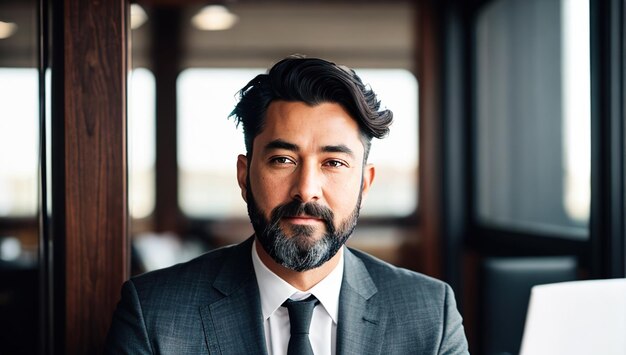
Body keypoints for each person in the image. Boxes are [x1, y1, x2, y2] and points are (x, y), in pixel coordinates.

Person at [105, 56, 469, 354]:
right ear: (244, 175)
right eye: (283, 160)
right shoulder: (153, 312)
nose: (306, 190)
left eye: (334, 163)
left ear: (365, 183)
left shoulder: (429, 313)